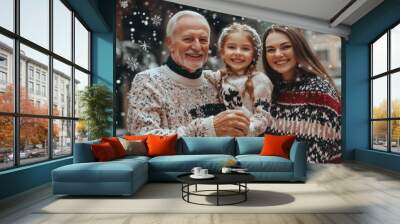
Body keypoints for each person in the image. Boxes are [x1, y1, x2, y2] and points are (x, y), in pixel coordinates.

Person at [127, 11, 250, 137]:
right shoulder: (148, 81)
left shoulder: (217, 81)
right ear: (170, 43)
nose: (197, 47)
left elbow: (247, 127)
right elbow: (143, 138)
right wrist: (207, 129)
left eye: (203, 40)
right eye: (188, 39)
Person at [261, 25, 341, 163]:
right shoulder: (270, 91)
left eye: (285, 47)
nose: (278, 54)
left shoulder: (319, 91)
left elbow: (315, 159)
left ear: (299, 49)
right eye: (270, 50)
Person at [205, 23, 273, 136]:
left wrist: (246, 129)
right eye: (231, 47)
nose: (238, 53)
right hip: (222, 139)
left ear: (254, 54)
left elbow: (262, 117)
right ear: (222, 52)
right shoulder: (218, 78)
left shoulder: (261, 81)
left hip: (248, 142)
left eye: (245, 49)